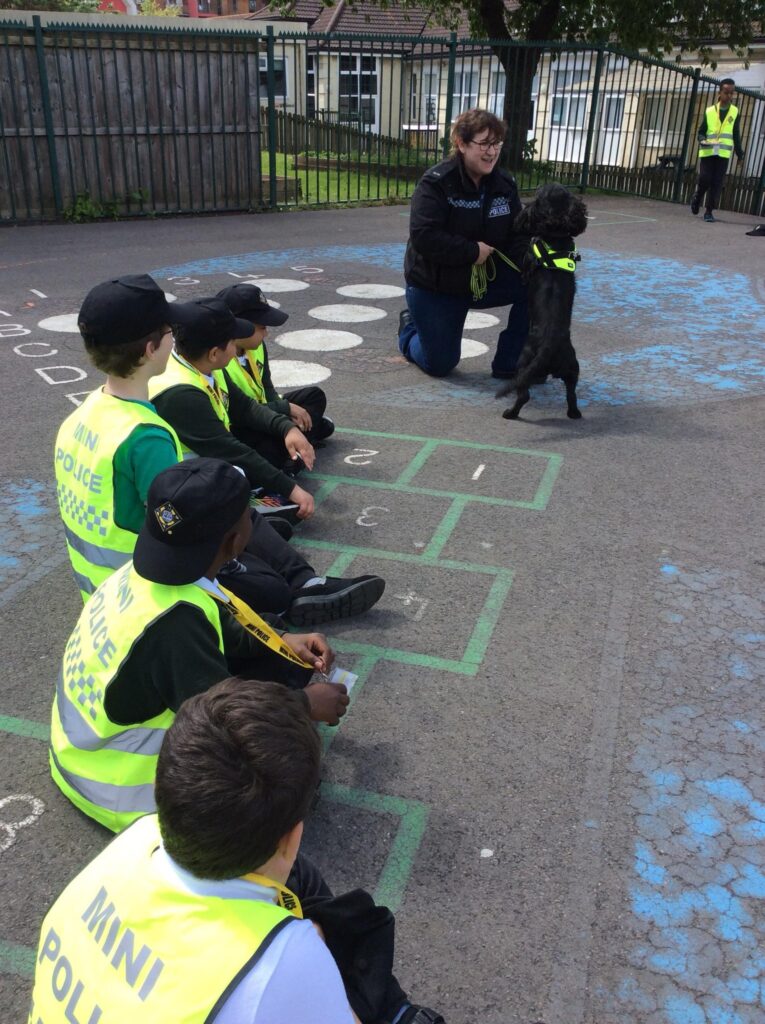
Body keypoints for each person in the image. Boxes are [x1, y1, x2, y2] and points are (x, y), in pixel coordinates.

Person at [33, 679, 445, 1024]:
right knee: (347, 922)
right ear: (292, 835)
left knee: (302, 881)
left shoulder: (138, 838)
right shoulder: (288, 960)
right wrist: (302, 951)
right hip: (272, 965)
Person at [49, 458, 353, 833]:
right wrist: (306, 706)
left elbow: (219, 623)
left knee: (280, 662)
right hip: (119, 785)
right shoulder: (175, 625)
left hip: (79, 751)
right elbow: (226, 722)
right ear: (236, 539)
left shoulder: (142, 573)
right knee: (283, 759)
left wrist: (282, 639)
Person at [58, 277, 384, 627]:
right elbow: (176, 535)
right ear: (151, 348)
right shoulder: (145, 437)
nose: (176, 339)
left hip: (98, 588)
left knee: (236, 514)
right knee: (269, 588)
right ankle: (279, 595)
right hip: (140, 595)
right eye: (170, 331)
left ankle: (289, 567)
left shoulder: (83, 416)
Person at [149, 296, 317, 518]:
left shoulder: (202, 363)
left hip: (209, 455)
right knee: (236, 477)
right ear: (214, 353)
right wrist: (291, 489)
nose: (236, 344)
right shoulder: (181, 393)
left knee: (259, 454)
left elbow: (245, 408)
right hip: (177, 480)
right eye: (232, 340)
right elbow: (230, 450)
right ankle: (236, 519)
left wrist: (287, 428)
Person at [397, 108, 529, 379]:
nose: (491, 152)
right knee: (441, 364)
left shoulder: (504, 184)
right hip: (436, 285)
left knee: (541, 282)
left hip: (482, 281)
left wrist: (534, 259)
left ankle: (510, 362)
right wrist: (471, 251)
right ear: (461, 144)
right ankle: (409, 328)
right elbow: (424, 236)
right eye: (484, 144)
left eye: (496, 144)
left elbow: (518, 235)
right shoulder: (437, 183)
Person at [216, 282, 335, 450]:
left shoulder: (256, 347)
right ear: (240, 325)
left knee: (314, 396)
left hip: (265, 409)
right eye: (262, 327)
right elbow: (239, 412)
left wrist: (286, 412)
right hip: (243, 421)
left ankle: (298, 439)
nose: (266, 333)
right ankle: (301, 440)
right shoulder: (219, 359)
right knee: (262, 445)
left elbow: (268, 388)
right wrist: (284, 410)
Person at [690, 79, 744, 223]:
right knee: (705, 179)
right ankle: (697, 197)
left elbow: (736, 134)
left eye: (732, 93)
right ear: (720, 92)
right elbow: (701, 132)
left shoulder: (735, 111)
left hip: (723, 154)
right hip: (708, 151)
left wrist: (740, 154)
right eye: (726, 92)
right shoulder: (709, 111)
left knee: (717, 183)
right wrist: (702, 140)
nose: (729, 96)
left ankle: (709, 211)